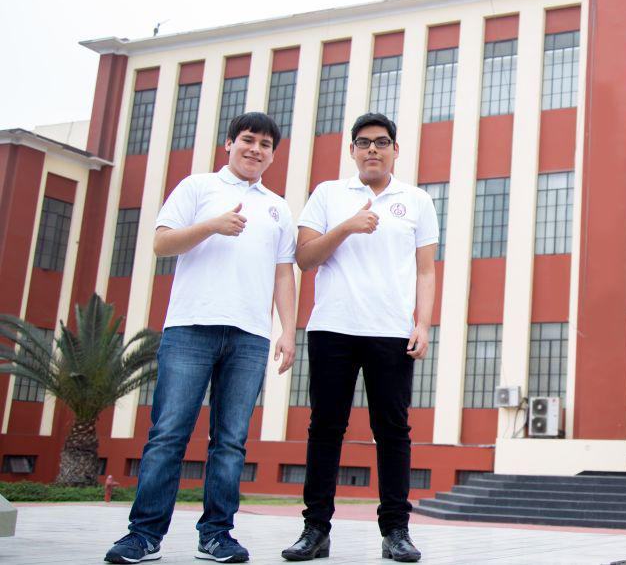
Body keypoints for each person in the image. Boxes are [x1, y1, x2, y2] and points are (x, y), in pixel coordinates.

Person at [105, 112, 297, 564]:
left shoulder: (277, 206)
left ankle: (217, 535)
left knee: (230, 442)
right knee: (168, 435)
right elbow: (162, 244)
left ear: (273, 153)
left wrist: (287, 330)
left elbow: (283, 273)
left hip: (249, 336)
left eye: (266, 144)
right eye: (247, 140)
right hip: (191, 327)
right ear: (228, 143)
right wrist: (211, 225)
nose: (256, 149)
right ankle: (143, 535)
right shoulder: (197, 188)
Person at [280, 113, 437, 563]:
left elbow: (426, 270)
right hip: (333, 328)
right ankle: (315, 530)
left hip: (390, 332)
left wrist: (423, 323)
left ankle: (396, 532)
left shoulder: (417, 200)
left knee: (393, 431)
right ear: (352, 150)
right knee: (325, 428)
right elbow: (305, 258)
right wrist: (347, 226)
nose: (373, 149)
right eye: (364, 142)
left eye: (382, 142)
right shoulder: (328, 195)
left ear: (395, 150)